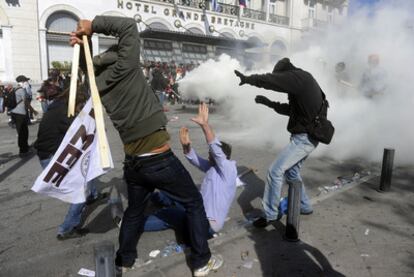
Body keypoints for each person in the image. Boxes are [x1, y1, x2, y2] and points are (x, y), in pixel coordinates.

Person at [70, 16, 222, 276]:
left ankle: (124, 261)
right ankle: (201, 262)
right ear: (119, 59)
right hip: (157, 159)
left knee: (135, 211)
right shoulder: (124, 69)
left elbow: (90, 67)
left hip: (134, 162)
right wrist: (93, 25)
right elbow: (128, 26)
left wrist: (84, 44)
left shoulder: (99, 84)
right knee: (194, 203)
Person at [234, 57, 324, 228]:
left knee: (275, 171)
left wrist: (248, 79)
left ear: (286, 72)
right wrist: (269, 103)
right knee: (292, 173)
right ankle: (304, 206)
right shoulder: (304, 82)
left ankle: (270, 214)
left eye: (281, 78)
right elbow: (292, 111)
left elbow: (271, 81)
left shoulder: (299, 77)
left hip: (304, 138)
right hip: (308, 136)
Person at [143, 103, 237, 238]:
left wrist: (204, 125)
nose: (209, 155)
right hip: (199, 213)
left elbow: (215, 149)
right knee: (176, 192)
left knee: (170, 214)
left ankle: (131, 224)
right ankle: (154, 199)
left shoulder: (228, 168)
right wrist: (186, 146)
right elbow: (195, 160)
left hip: (206, 225)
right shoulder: (214, 168)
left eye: (211, 153)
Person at [34, 86, 105, 240]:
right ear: (77, 101)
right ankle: (67, 228)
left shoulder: (58, 105)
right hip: (52, 156)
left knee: (86, 169)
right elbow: (81, 129)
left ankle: (92, 194)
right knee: (79, 192)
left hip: (47, 152)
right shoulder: (66, 112)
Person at [12, 75, 38, 156]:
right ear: (22, 82)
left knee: (22, 132)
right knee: (23, 132)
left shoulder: (14, 89)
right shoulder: (21, 90)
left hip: (15, 113)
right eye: (26, 81)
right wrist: (33, 111)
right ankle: (23, 151)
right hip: (21, 114)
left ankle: (24, 147)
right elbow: (26, 102)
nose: (27, 82)